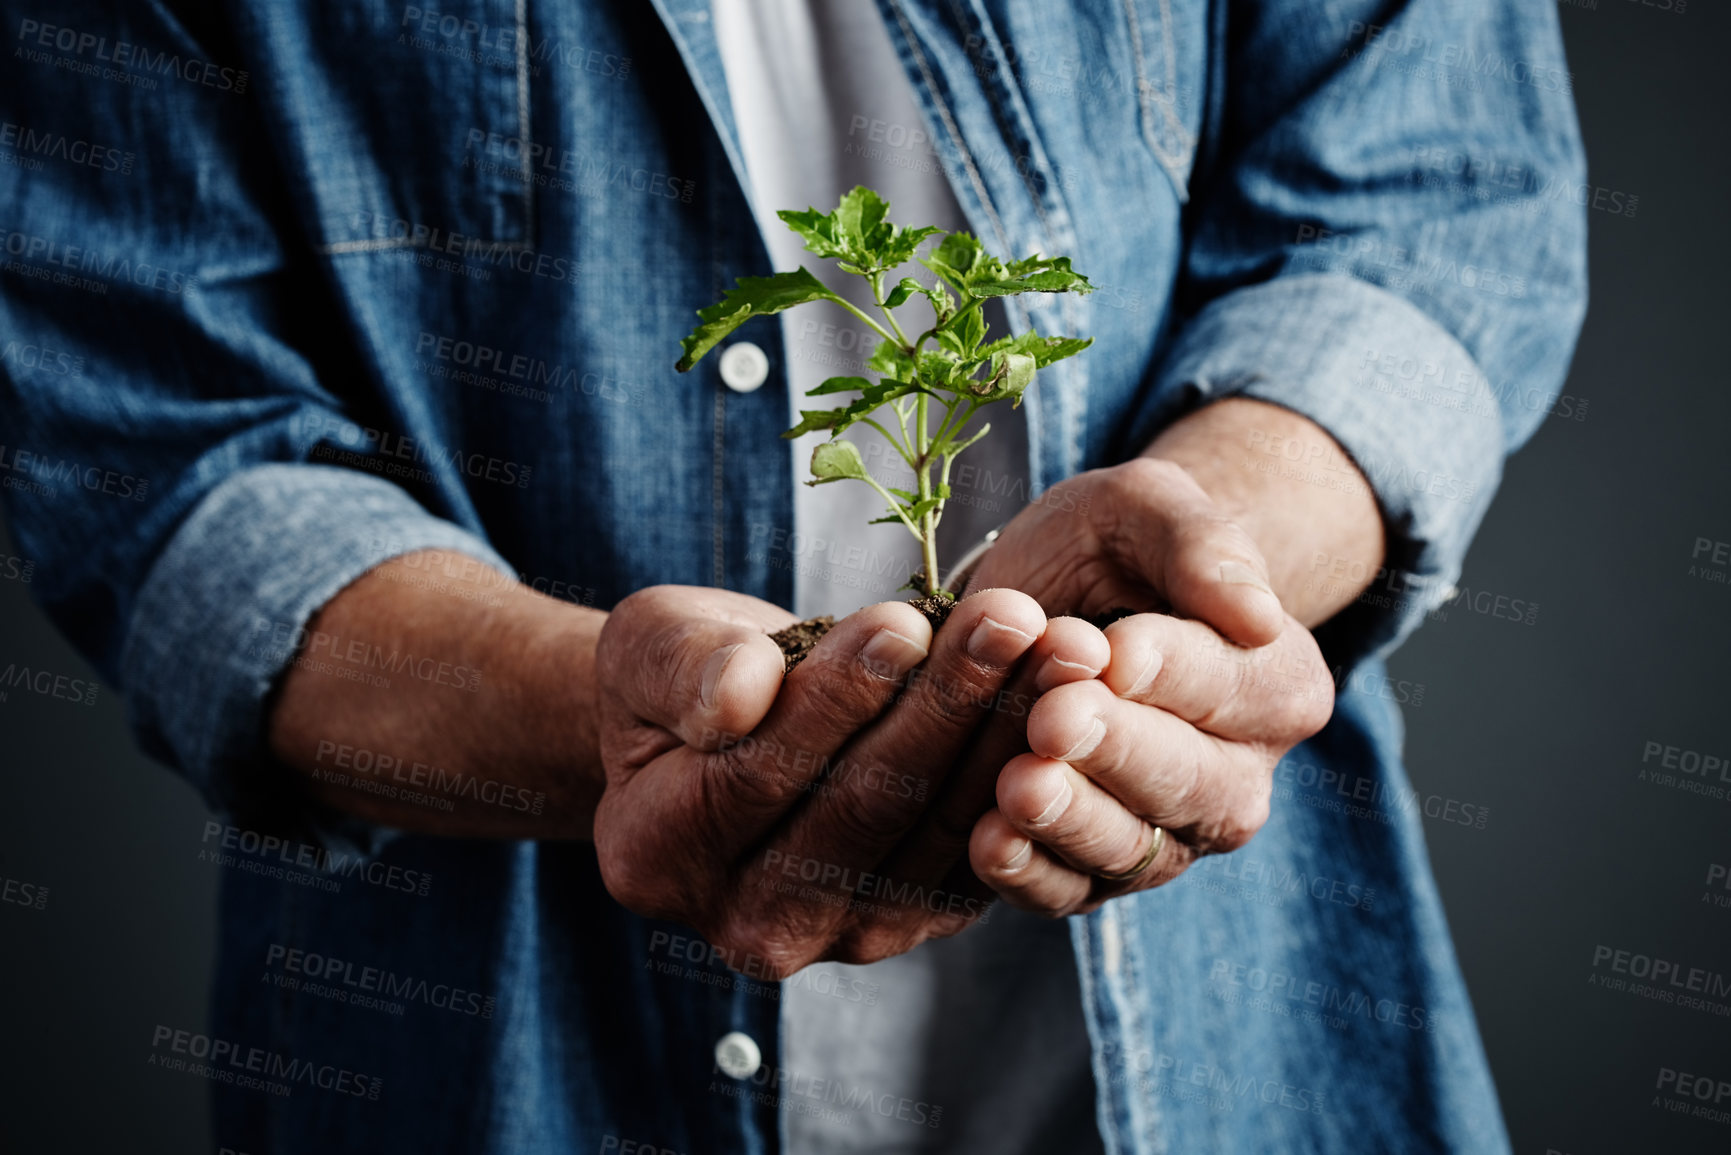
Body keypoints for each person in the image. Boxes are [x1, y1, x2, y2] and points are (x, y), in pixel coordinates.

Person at [0, 1, 1585, 1151]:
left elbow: (1434, 198)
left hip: (1225, 1060)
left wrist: (1201, 559)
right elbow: (161, 460)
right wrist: (594, 711)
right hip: (498, 1070)